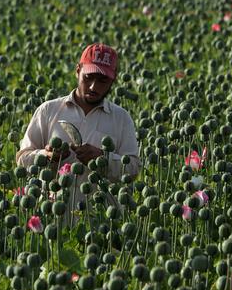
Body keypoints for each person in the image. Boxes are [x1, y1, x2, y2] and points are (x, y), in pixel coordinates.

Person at [16, 43, 140, 214]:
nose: (93, 87)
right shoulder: (48, 111)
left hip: (100, 217)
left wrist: (103, 159)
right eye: (88, 77)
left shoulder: (121, 119)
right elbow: (22, 159)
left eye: (102, 81)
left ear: (114, 79)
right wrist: (46, 156)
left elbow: (133, 168)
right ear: (77, 70)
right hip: (51, 213)